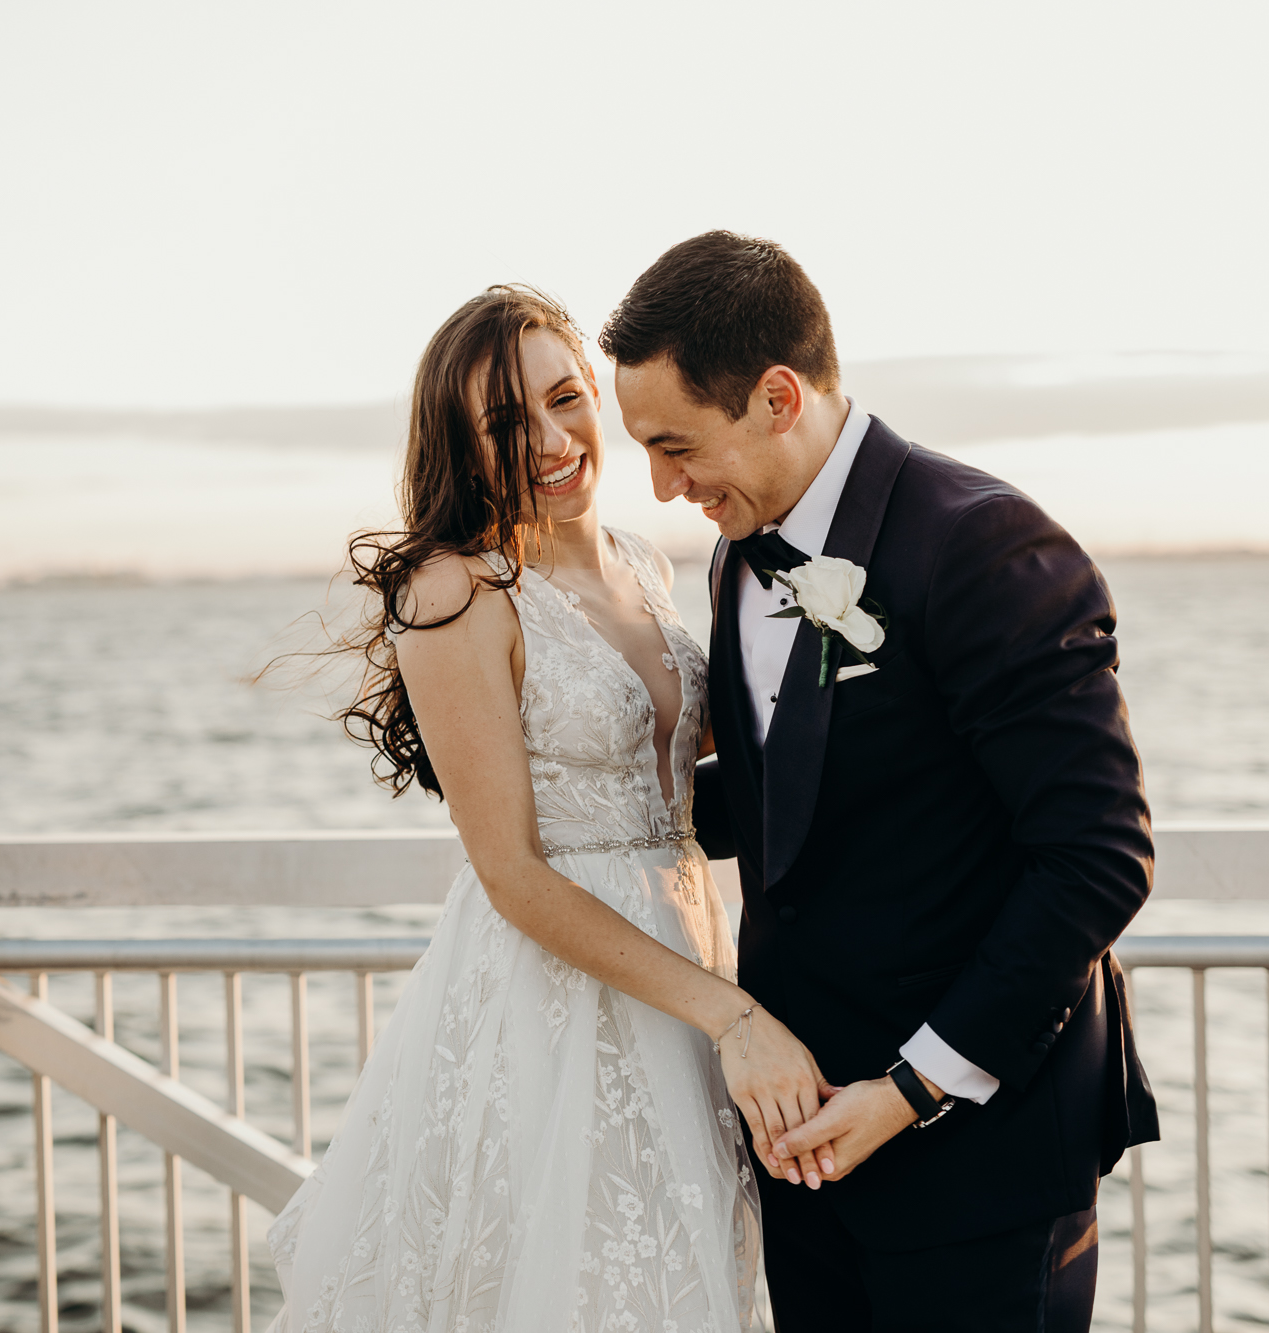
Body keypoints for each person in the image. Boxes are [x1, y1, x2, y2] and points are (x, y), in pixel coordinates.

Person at [601, 230, 1160, 1332]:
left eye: (674, 447)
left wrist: (909, 1090)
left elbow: (1096, 856)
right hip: (804, 1149)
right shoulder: (737, 554)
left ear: (774, 397)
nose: (664, 488)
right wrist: (560, 825)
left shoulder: (984, 547)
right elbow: (798, 804)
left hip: (977, 1158)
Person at [268, 285, 819, 1332]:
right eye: (505, 424)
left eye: (566, 398)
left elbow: (703, 762)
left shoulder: (643, 565)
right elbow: (510, 871)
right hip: (556, 1002)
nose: (552, 440)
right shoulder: (454, 592)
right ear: (458, 444)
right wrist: (732, 1014)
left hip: (684, 963)